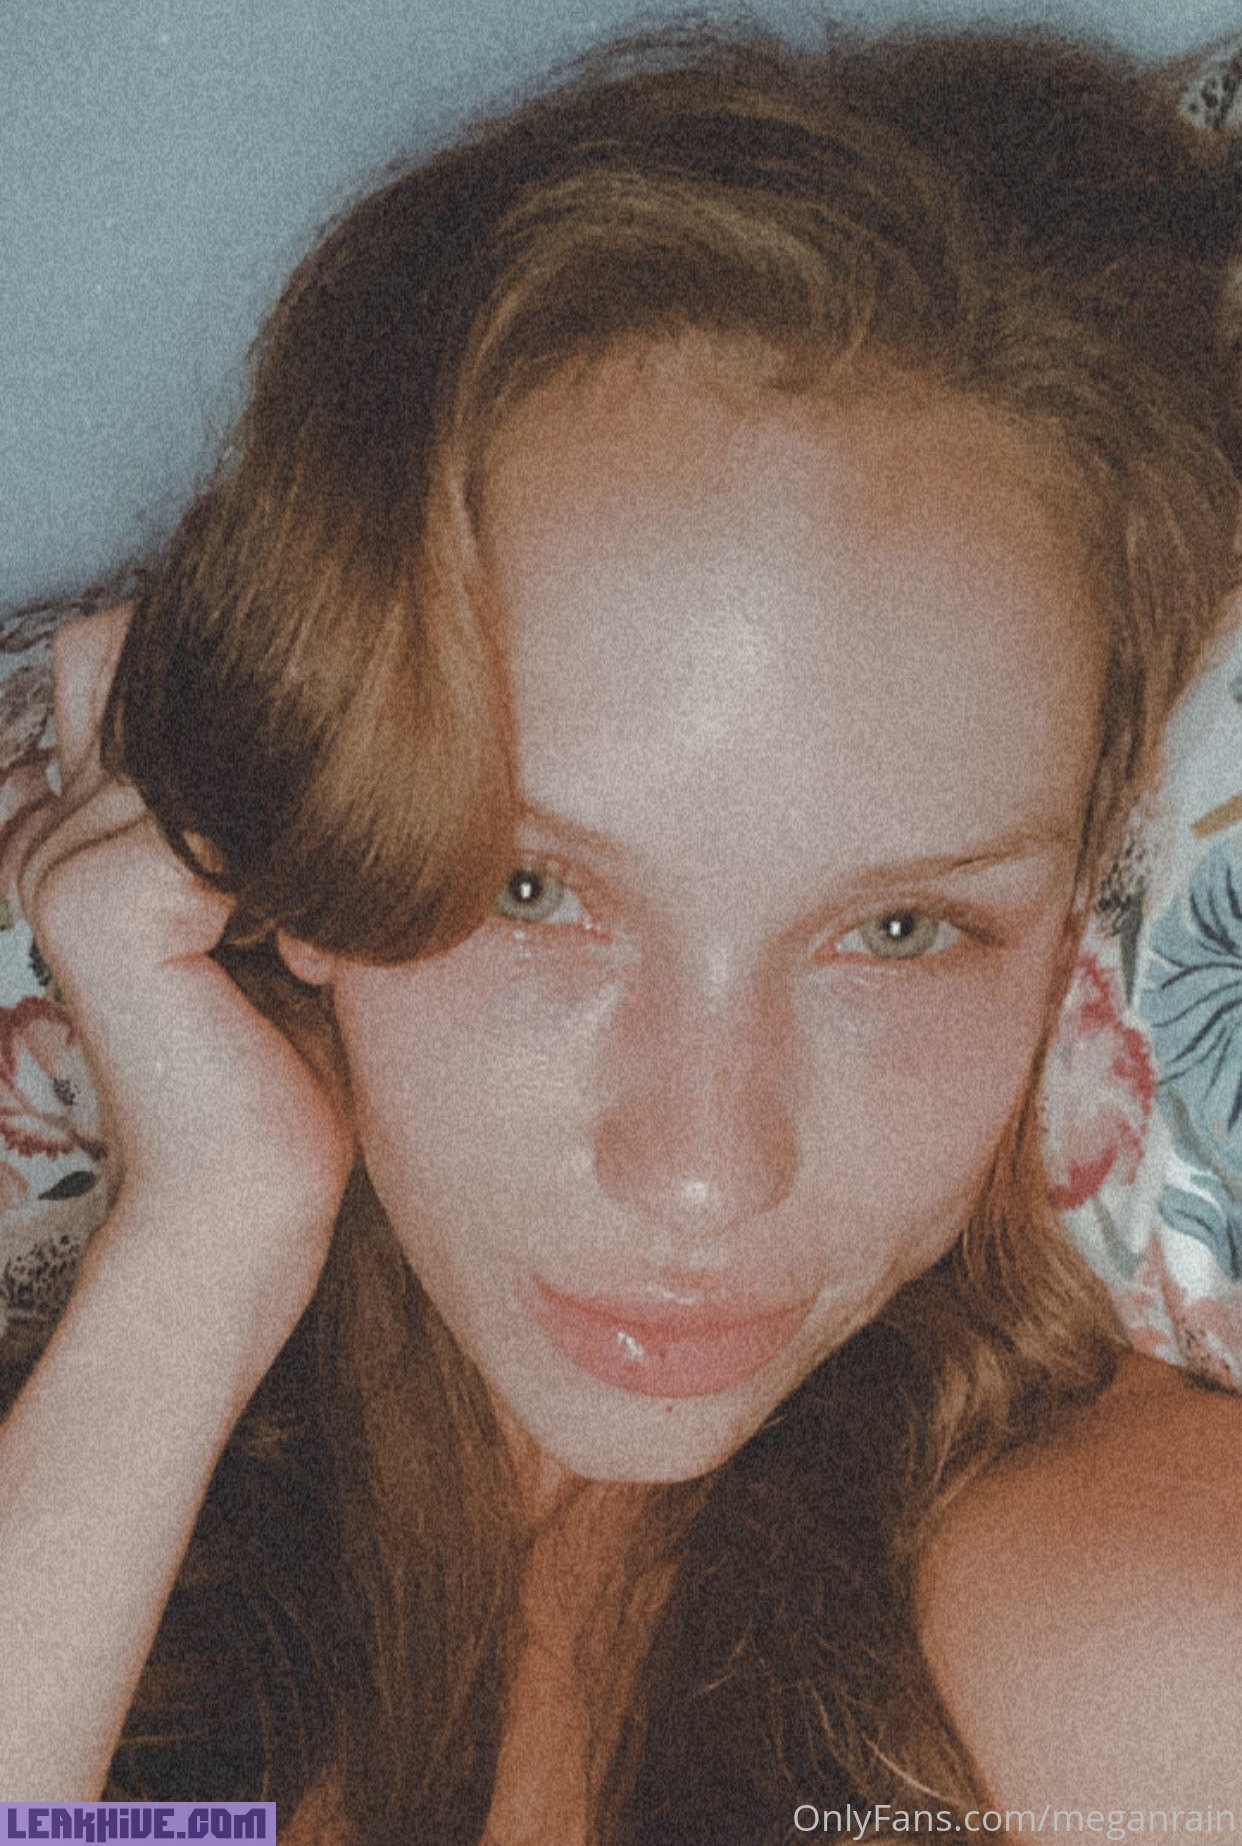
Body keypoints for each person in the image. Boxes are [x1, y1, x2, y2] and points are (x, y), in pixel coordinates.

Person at [1, 22, 1241, 1842]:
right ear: (292, 840)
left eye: (901, 928)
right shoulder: (135, 1486)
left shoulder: (1135, 1665)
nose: (701, 1174)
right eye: (534, 891)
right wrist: (198, 1252)